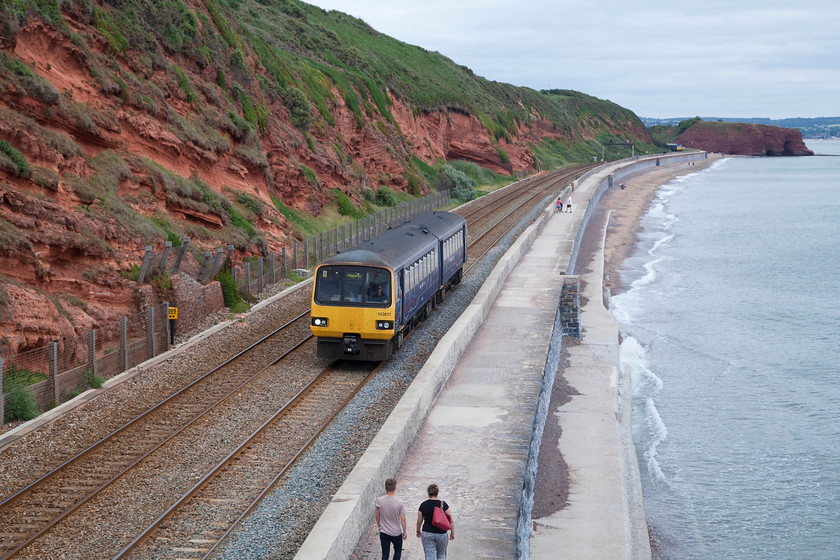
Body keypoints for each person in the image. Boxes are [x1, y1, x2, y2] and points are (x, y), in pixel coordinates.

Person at [416, 483, 453, 559]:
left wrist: (418, 531)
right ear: (437, 493)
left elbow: (419, 521)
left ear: (428, 493)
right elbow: (451, 520)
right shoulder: (443, 504)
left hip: (427, 533)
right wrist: (452, 532)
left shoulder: (423, 505)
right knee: (441, 554)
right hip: (441, 533)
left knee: (429, 555)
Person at [375, 478, 407, 560]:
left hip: (384, 531)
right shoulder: (400, 502)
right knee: (398, 551)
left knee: (385, 553)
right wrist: (404, 531)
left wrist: (379, 526)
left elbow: (377, 515)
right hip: (396, 532)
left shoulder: (379, 501)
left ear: (385, 487)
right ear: (395, 488)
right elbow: (403, 519)